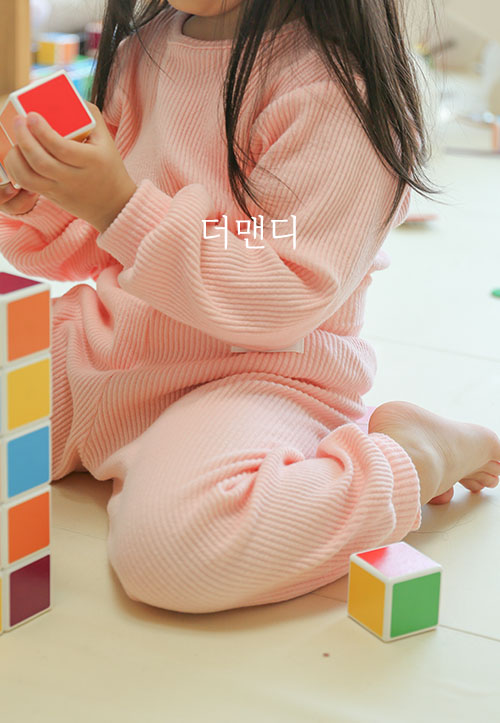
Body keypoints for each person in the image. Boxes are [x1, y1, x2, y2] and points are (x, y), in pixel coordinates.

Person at [0, 0, 499, 614]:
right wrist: (44, 195)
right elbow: (98, 244)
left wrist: (118, 206)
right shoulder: (144, 50)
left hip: (254, 376)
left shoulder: (336, 91)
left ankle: (417, 456)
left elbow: (284, 291)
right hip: (109, 345)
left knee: (174, 550)